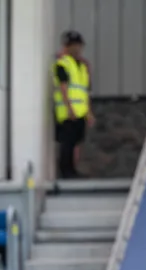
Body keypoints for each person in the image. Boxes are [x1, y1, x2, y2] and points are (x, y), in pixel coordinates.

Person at [54, 30, 93, 179]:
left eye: (78, 45)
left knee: (76, 141)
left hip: (80, 111)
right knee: (67, 143)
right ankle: (66, 172)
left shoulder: (82, 66)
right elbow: (63, 87)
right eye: (74, 45)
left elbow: (84, 91)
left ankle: (73, 170)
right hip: (67, 112)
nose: (77, 48)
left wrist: (88, 112)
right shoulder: (62, 64)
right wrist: (69, 108)